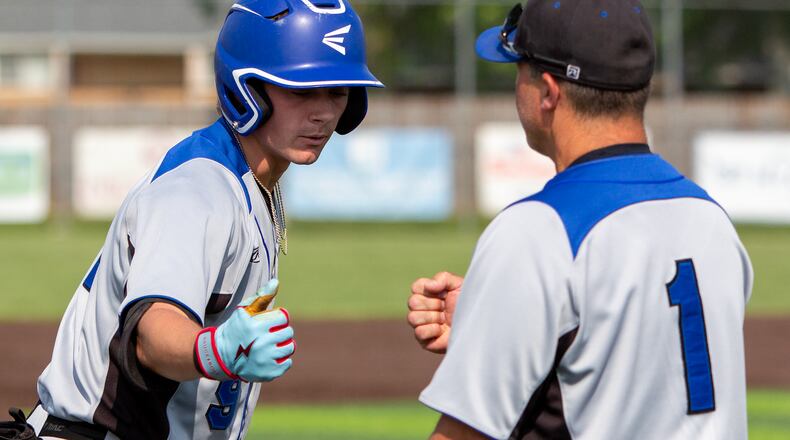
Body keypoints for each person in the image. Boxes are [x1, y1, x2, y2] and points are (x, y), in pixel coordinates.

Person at [25, 1, 383, 439]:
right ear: (248, 88)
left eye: (337, 91)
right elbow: (153, 333)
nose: (324, 112)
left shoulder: (248, 180)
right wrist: (218, 350)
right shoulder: (198, 189)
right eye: (301, 90)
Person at [407, 1, 752, 439]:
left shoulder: (538, 230)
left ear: (548, 92)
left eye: (519, 69)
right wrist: (502, 322)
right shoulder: (711, 220)